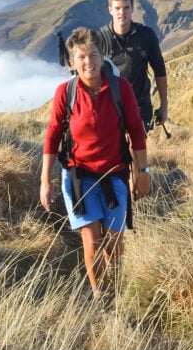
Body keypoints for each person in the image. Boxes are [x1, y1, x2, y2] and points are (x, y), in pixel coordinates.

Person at [40, 27, 149, 301]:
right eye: (81, 57)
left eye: (93, 55)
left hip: (114, 175)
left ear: (102, 57)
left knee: (115, 243)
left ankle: (113, 284)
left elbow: (136, 130)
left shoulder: (119, 88)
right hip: (80, 177)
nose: (88, 62)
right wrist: (45, 181)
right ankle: (101, 296)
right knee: (93, 240)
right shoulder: (65, 93)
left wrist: (143, 171)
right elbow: (52, 135)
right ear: (73, 62)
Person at [97, 0, 168, 132]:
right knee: (114, 153)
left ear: (132, 8)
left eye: (126, 8)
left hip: (140, 108)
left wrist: (164, 105)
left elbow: (159, 70)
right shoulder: (99, 39)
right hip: (108, 109)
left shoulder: (146, 36)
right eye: (117, 8)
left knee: (136, 153)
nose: (121, 13)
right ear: (110, 10)